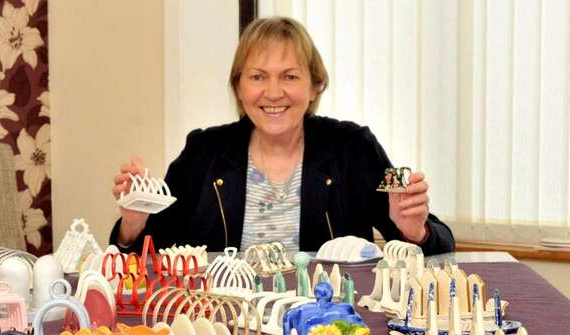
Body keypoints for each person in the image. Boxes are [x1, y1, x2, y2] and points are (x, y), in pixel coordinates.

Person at [109, 16, 455, 255]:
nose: (273, 93)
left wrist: (416, 232)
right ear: (239, 87)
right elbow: (142, 257)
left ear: (315, 85)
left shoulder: (353, 148)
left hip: (328, 329)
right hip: (221, 326)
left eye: (289, 77)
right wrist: (133, 226)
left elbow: (440, 248)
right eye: (257, 77)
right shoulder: (204, 151)